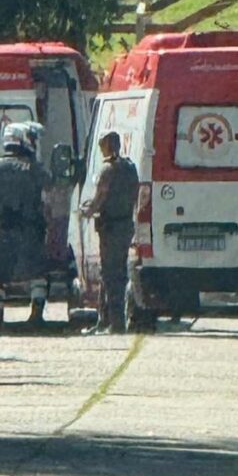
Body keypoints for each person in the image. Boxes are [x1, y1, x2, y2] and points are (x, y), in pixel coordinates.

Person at [0, 122, 50, 333]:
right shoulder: (33, 168)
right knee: (37, 273)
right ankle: (36, 317)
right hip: (30, 229)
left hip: (1, 228)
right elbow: (48, 185)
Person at [81, 131, 140, 334]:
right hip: (125, 225)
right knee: (116, 273)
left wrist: (86, 211)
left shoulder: (107, 170)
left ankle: (116, 323)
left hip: (111, 228)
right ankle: (105, 320)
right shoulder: (130, 168)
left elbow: (99, 198)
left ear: (106, 145)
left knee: (111, 275)